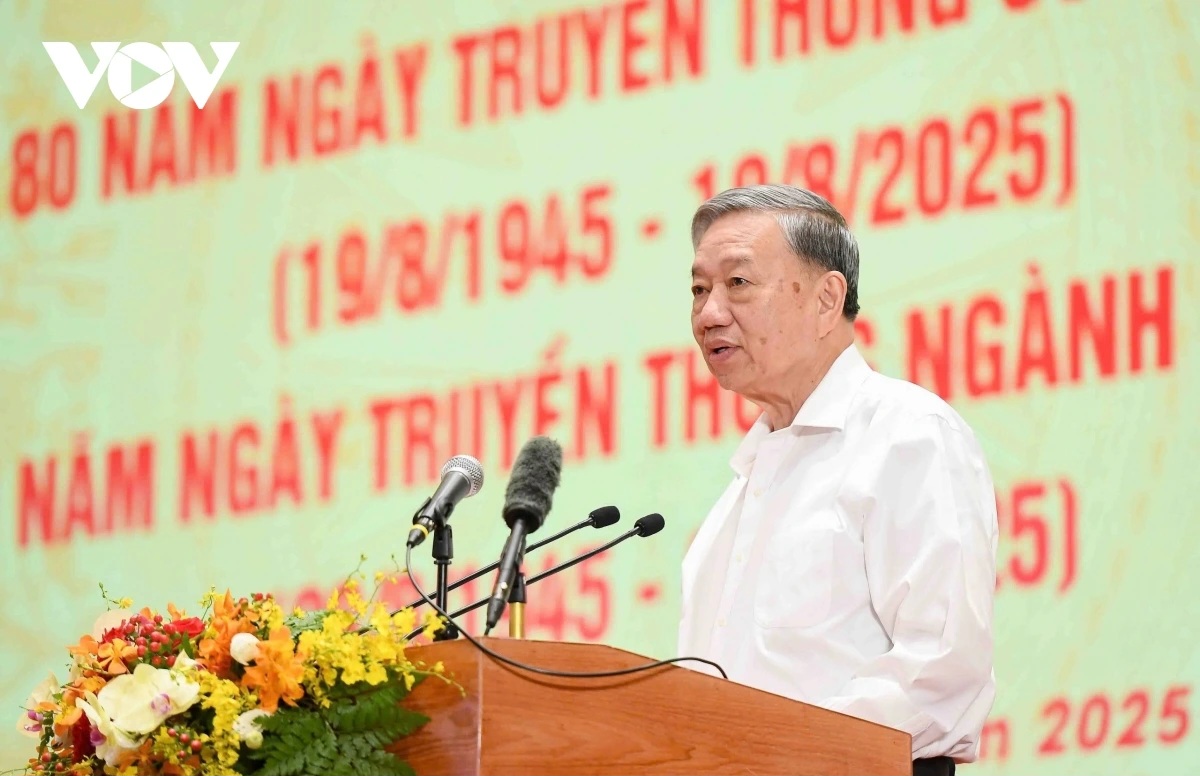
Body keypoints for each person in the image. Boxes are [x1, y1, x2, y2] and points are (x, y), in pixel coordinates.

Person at [677, 184, 998, 776]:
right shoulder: (737, 498)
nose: (709, 313)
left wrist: (766, 758)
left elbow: (941, 675)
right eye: (699, 289)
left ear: (827, 299)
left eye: (738, 283)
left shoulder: (907, 436)